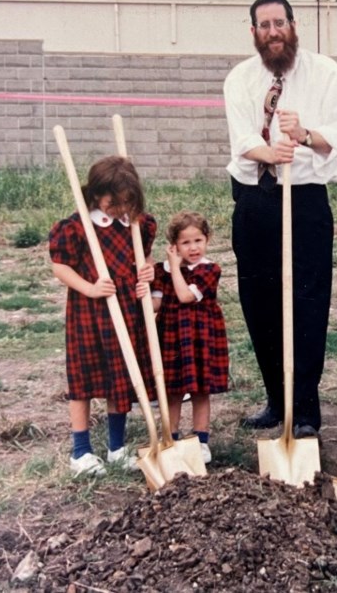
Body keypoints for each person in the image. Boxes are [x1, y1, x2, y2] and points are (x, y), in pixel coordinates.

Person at [224, 0, 337, 437]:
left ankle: (305, 409)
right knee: (260, 302)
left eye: (280, 22)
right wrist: (272, 151)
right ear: (254, 32)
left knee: (306, 301)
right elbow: (242, 139)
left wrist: (302, 135)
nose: (273, 31)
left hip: (304, 199)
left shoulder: (324, 73)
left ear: (293, 25)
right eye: (264, 25)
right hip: (255, 199)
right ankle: (276, 401)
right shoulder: (240, 78)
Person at [49, 155, 157, 477]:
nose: (120, 209)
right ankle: (80, 451)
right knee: (83, 379)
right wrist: (90, 288)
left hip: (125, 310)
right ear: (95, 194)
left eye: (127, 202)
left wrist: (146, 271)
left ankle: (116, 447)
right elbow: (60, 267)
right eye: (114, 202)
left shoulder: (138, 225)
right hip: (89, 312)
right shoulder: (76, 228)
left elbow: (145, 256)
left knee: (120, 378)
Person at [151, 211, 229, 465]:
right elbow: (155, 305)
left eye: (198, 240)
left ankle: (201, 441)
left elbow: (185, 296)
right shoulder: (161, 273)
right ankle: (170, 438)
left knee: (200, 391)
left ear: (207, 239)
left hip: (200, 336)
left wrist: (174, 267)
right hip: (172, 337)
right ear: (174, 245)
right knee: (173, 391)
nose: (193, 247)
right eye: (185, 243)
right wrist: (143, 284)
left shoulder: (209, 270)